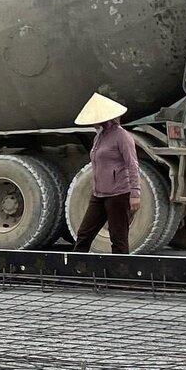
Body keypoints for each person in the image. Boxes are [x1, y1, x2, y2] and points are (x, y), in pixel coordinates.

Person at [72, 92, 141, 252]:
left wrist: (135, 193)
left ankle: (120, 273)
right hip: (98, 195)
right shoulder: (99, 137)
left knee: (118, 237)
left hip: (118, 194)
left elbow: (133, 164)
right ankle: (77, 269)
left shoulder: (122, 136)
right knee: (84, 234)